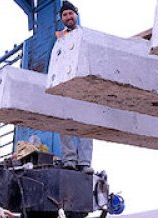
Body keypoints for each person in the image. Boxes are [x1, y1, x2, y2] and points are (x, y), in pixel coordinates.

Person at [56, 1, 94, 174]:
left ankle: (84, 162)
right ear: (61, 18)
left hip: (84, 85)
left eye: (70, 13)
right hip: (65, 84)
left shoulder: (86, 34)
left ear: (76, 15)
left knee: (87, 123)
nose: (68, 17)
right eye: (65, 15)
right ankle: (69, 159)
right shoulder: (58, 38)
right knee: (65, 123)